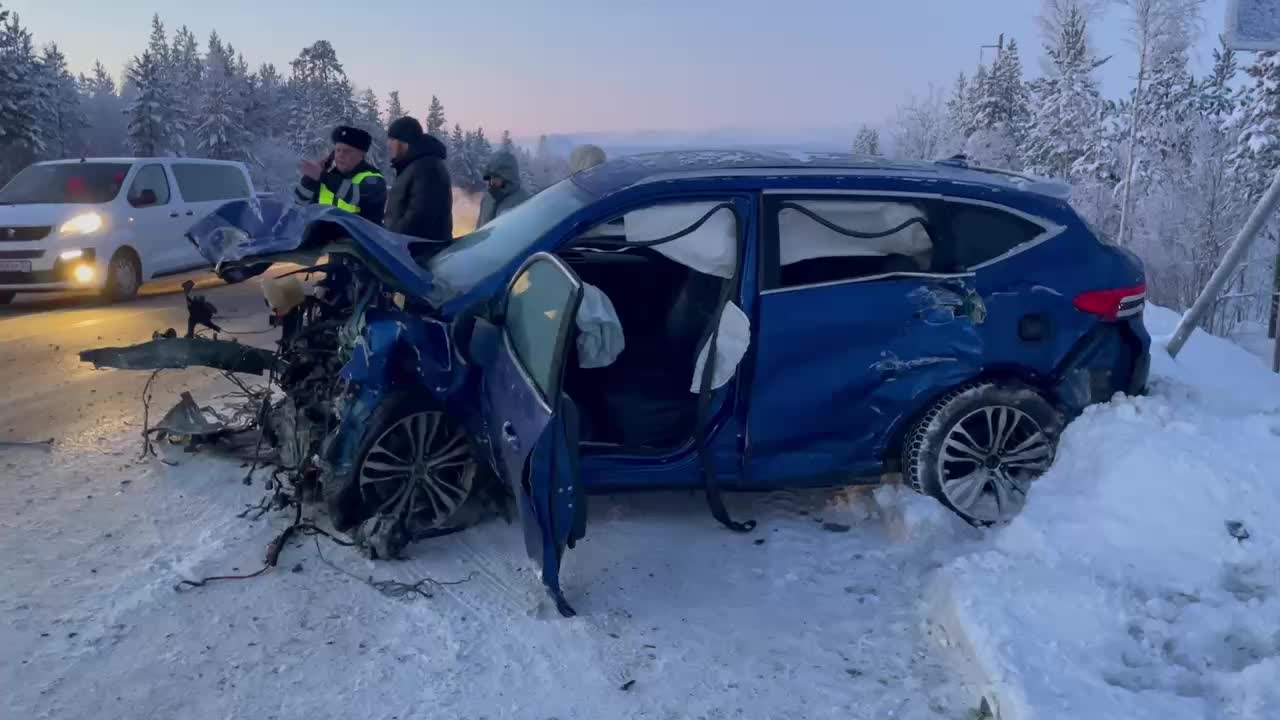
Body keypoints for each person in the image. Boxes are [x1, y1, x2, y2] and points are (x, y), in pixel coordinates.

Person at [294, 125, 387, 225]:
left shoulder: (373, 178)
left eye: (347, 151)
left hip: (358, 239)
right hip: (320, 238)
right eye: (338, 150)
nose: (340, 155)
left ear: (361, 156)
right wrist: (310, 179)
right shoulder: (328, 178)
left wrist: (322, 176)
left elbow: (356, 196)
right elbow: (299, 204)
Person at [383, 116, 452, 245]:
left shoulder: (426, 168)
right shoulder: (413, 166)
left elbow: (419, 218)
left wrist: (392, 241)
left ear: (404, 142)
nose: (388, 145)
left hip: (417, 254)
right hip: (407, 250)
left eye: (392, 139)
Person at [477, 150, 531, 227]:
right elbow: (479, 231)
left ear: (508, 177)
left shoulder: (523, 203)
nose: (491, 182)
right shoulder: (487, 199)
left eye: (496, 177)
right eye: (489, 177)